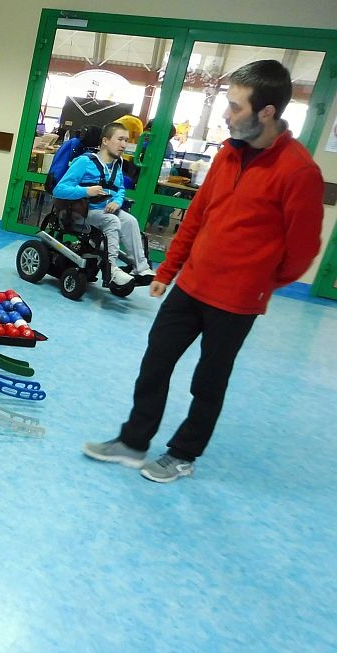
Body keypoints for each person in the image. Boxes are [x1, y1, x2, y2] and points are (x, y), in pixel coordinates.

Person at [83, 60, 324, 483]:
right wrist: (168, 270)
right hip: (192, 286)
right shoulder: (229, 153)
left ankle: (183, 454)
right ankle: (133, 442)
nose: (226, 115)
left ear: (267, 112)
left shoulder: (299, 171)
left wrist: (259, 282)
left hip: (236, 301)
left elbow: (303, 250)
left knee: (209, 380)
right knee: (156, 361)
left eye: (235, 106)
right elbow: (197, 216)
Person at [53, 122, 155, 286]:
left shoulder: (117, 163)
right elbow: (59, 190)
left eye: (126, 140)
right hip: (83, 212)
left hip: (106, 210)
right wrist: (86, 191)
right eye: (120, 139)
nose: (124, 145)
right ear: (105, 141)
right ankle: (111, 269)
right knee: (112, 221)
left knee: (130, 221)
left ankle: (141, 268)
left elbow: (120, 189)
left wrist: (117, 201)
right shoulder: (85, 162)